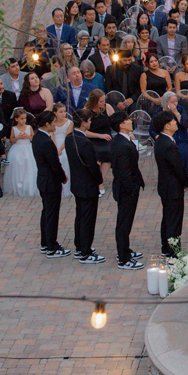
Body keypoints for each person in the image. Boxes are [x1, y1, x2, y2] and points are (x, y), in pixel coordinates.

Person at [66, 109, 104, 263]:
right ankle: (86, 252)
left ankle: (80, 246)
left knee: (80, 216)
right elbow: (92, 166)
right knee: (88, 218)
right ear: (83, 123)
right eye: (89, 120)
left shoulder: (69, 138)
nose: (91, 122)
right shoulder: (85, 142)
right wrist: (99, 179)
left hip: (77, 184)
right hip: (88, 185)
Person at [109, 112, 145, 270]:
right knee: (124, 223)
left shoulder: (121, 140)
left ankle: (125, 250)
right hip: (126, 190)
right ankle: (123, 258)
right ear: (121, 125)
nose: (131, 121)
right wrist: (131, 189)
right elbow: (124, 172)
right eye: (127, 120)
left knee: (125, 222)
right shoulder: (122, 145)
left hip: (127, 188)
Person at [32, 110, 70, 257]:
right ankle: (52, 246)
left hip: (42, 180)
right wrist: (63, 177)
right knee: (51, 215)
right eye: (53, 122)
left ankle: (45, 243)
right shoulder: (47, 142)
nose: (55, 125)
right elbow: (54, 164)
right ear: (47, 124)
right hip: (50, 182)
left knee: (46, 212)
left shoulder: (37, 138)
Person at [153, 110, 188, 255]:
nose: (176, 122)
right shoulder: (168, 145)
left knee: (168, 218)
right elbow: (178, 167)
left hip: (165, 186)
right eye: (173, 121)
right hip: (173, 188)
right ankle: (173, 251)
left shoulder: (161, 141)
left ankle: (165, 248)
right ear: (167, 126)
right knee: (174, 221)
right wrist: (185, 181)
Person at [1, 107, 38, 197]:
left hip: (28, 147)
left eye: (25, 118)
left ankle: (28, 184)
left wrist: (28, 137)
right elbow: (11, 140)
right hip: (18, 148)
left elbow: (33, 138)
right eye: (21, 119)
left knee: (29, 161)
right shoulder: (14, 128)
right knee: (16, 161)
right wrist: (17, 138)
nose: (23, 121)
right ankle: (18, 183)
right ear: (16, 119)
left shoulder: (29, 127)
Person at [82, 89, 115, 191]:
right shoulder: (86, 111)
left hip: (106, 138)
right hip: (93, 138)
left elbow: (116, 121)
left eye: (104, 100)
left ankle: (100, 183)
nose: (103, 103)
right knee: (96, 157)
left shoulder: (107, 108)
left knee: (108, 154)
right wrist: (99, 136)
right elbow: (84, 131)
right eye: (101, 101)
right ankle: (97, 182)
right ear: (94, 101)